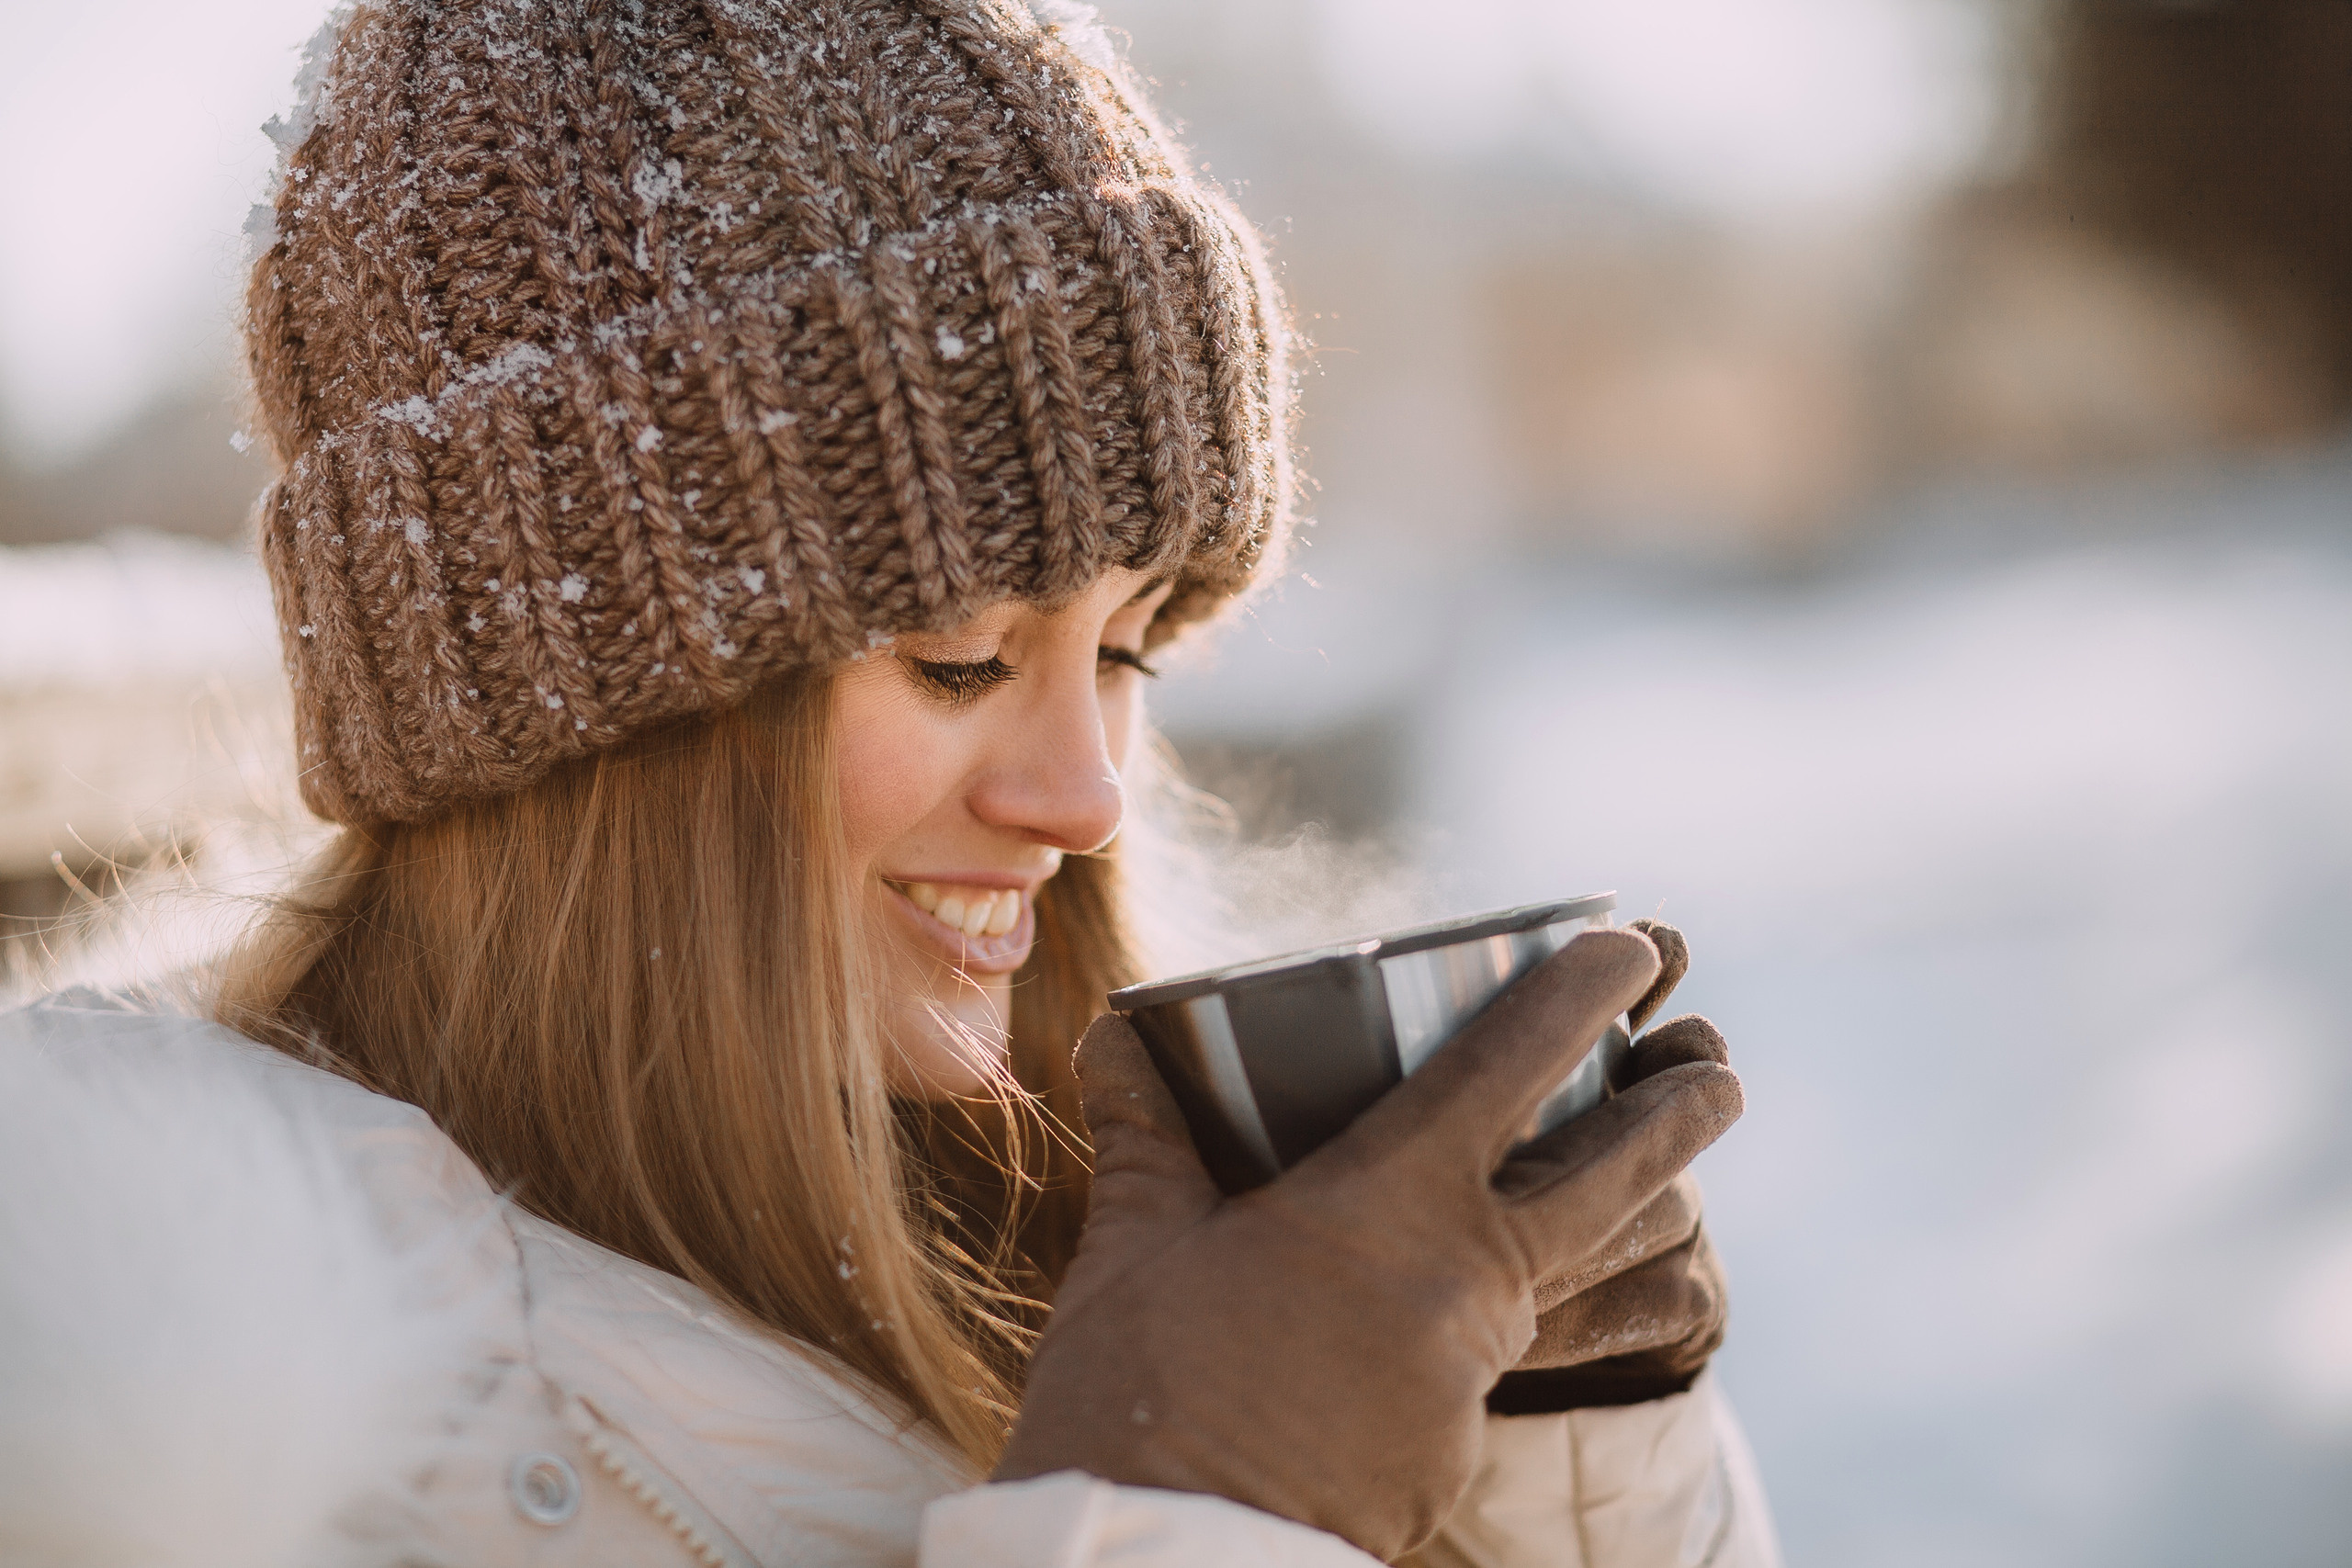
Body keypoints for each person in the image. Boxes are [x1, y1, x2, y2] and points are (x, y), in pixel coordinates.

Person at [0, 2, 1779, 1563]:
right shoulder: (157, 1428)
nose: (1086, 794)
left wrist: (1569, 1462)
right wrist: (1201, 1505)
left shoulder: (1129, 1226)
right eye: (955, 655)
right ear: (573, 706)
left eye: (1130, 648)